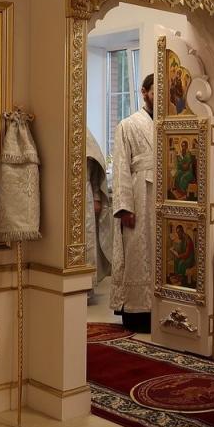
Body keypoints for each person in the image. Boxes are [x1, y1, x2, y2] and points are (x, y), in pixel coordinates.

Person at [111, 74, 156, 333]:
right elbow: (120, 168)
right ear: (144, 92)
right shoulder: (127, 125)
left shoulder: (172, 124)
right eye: (155, 91)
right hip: (138, 195)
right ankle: (137, 311)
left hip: (164, 197)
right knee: (138, 250)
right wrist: (125, 206)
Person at [86, 129, 113, 300]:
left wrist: (96, 197)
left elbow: (96, 173)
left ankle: (87, 287)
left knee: (88, 239)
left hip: (86, 193)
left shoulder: (87, 136)